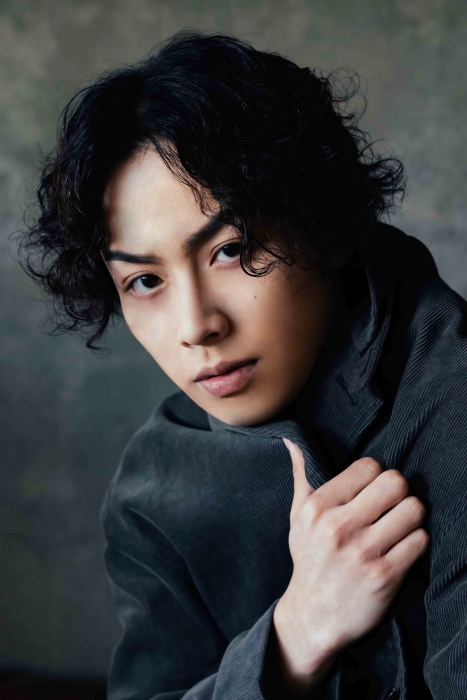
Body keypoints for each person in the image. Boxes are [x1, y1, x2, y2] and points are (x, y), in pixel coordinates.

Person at [20, 29, 467, 700]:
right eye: (145, 282)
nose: (196, 325)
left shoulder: (453, 391)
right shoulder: (152, 489)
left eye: (230, 250)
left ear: (323, 224)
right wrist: (295, 636)